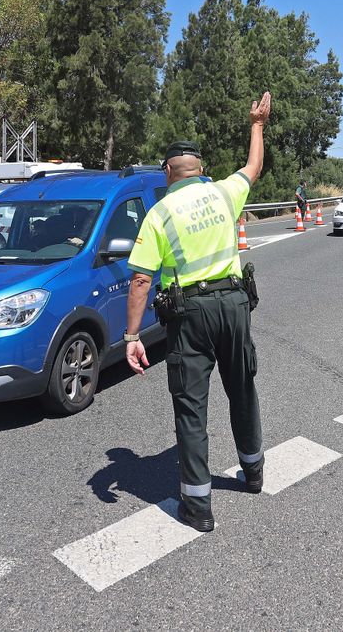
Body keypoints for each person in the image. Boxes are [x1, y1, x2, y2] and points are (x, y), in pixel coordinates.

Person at [125, 92, 271, 532]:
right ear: (202, 169)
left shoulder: (160, 212)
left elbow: (140, 280)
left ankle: (198, 507)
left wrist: (132, 337)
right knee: (242, 388)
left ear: (167, 172)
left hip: (190, 315)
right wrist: (256, 125)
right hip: (233, 305)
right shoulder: (224, 194)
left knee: (192, 406)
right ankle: (253, 471)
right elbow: (253, 167)